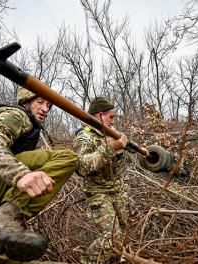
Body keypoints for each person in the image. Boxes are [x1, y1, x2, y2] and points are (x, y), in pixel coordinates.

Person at [0, 88, 78, 263]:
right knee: (67, 156)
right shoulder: (18, 115)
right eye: (39, 102)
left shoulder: (28, 125)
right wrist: (20, 174)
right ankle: (8, 215)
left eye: (48, 105)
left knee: (4, 254)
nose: (45, 109)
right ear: (26, 102)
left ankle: (0, 223)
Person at [72, 96, 146, 263]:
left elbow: (132, 148)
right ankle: (86, 261)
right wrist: (110, 148)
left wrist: (145, 153)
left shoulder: (110, 133)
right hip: (99, 193)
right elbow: (81, 167)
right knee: (112, 238)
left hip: (117, 192)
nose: (113, 121)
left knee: (124, 236)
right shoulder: (84, 138)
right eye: (111, 117)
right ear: (99, 116)